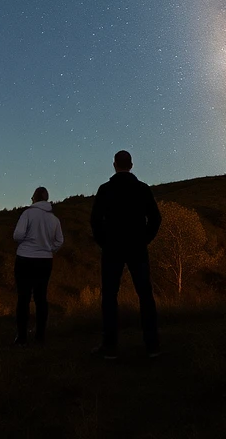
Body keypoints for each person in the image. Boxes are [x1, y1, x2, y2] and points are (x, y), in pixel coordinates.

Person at [90, 150, 161, 358]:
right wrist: (145, 239)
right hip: (137, 247)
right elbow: (155, 219)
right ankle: (152, 344)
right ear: (131, 165)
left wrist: (104, 242)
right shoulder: (142, 189)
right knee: (145, 295)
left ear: (114, 165)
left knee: (110, 296)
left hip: (112, 248)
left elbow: (95, 220)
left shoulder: (105, 189)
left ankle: (110, 346)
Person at [12, 186, 64, 345]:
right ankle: (40, 336)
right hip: (45, 260)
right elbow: (59, 241)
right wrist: (48, 249)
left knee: (23, 298)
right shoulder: (54, 219)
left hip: (25, 258)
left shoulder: (28, 214)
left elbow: (18, 235)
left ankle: (21, 337)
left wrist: (26, 244)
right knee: (41, 298)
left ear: (33, 198)